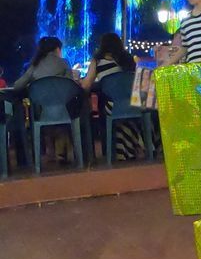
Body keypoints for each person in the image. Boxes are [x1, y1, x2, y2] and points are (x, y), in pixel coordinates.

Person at [10, 36, 77, 163]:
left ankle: (50, 153)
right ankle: (63, 153)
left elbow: (17, 85)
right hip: (63, 110)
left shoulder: (34, 66)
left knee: (41, 112)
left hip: (42, 111)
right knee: (65, 113)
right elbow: (71, 85)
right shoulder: (64, 63)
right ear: (57, 49)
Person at [82, 33, 143, 161]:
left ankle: (119, 152)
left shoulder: (97, 61)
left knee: (108, 105)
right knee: (127, 106)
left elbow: (86, 86)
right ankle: (131, 148)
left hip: (114, 106)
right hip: (136, 104)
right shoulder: (129, 59)